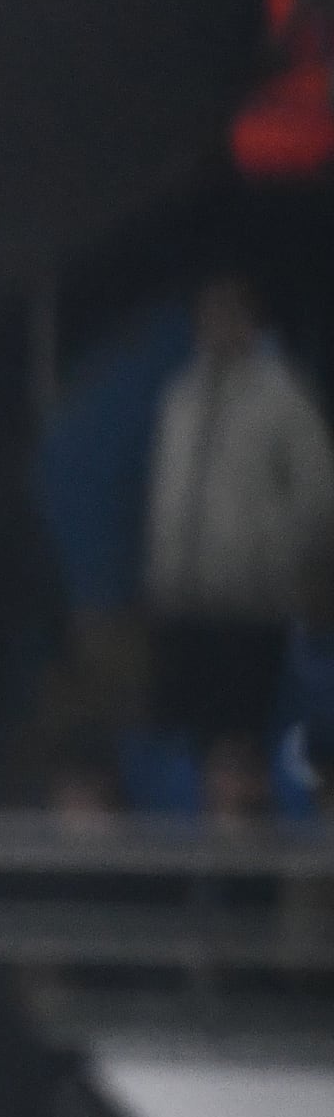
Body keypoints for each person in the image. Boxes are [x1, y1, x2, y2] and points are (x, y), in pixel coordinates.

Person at [144, 272, 334, 812]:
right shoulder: (180, 397)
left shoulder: (282, 396)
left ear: (251, 322)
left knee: (245, 735)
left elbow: (318, 493)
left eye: (229, 314)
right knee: (189, 734)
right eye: (209, 315)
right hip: (183, 601)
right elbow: (165, 492)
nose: (217, 327)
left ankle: (251, 830)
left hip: (252, 605)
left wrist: (279, 556)